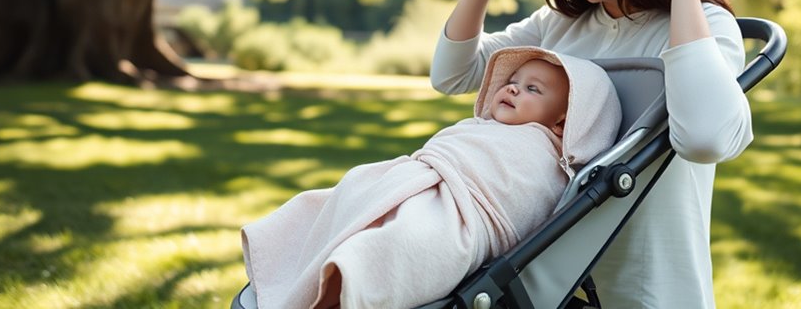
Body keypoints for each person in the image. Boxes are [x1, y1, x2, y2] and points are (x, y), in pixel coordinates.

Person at [430, 0, 752, 308]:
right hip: (545, 281)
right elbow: (451, 74)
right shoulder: (560, 25)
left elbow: (704, 139)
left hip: (651, 285)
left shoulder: (700, 24)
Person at [241, 46, 620, 309]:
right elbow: (453, 147)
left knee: (397, 244)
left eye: (532, 89)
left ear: (562, 122)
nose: (513, 88)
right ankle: (316, 284)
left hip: (465, 213)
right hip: (424, 180)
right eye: (514, 81)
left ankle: (341, 289)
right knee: (354, 189)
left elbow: (523, 195)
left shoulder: (544, 155)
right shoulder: (482, 127)